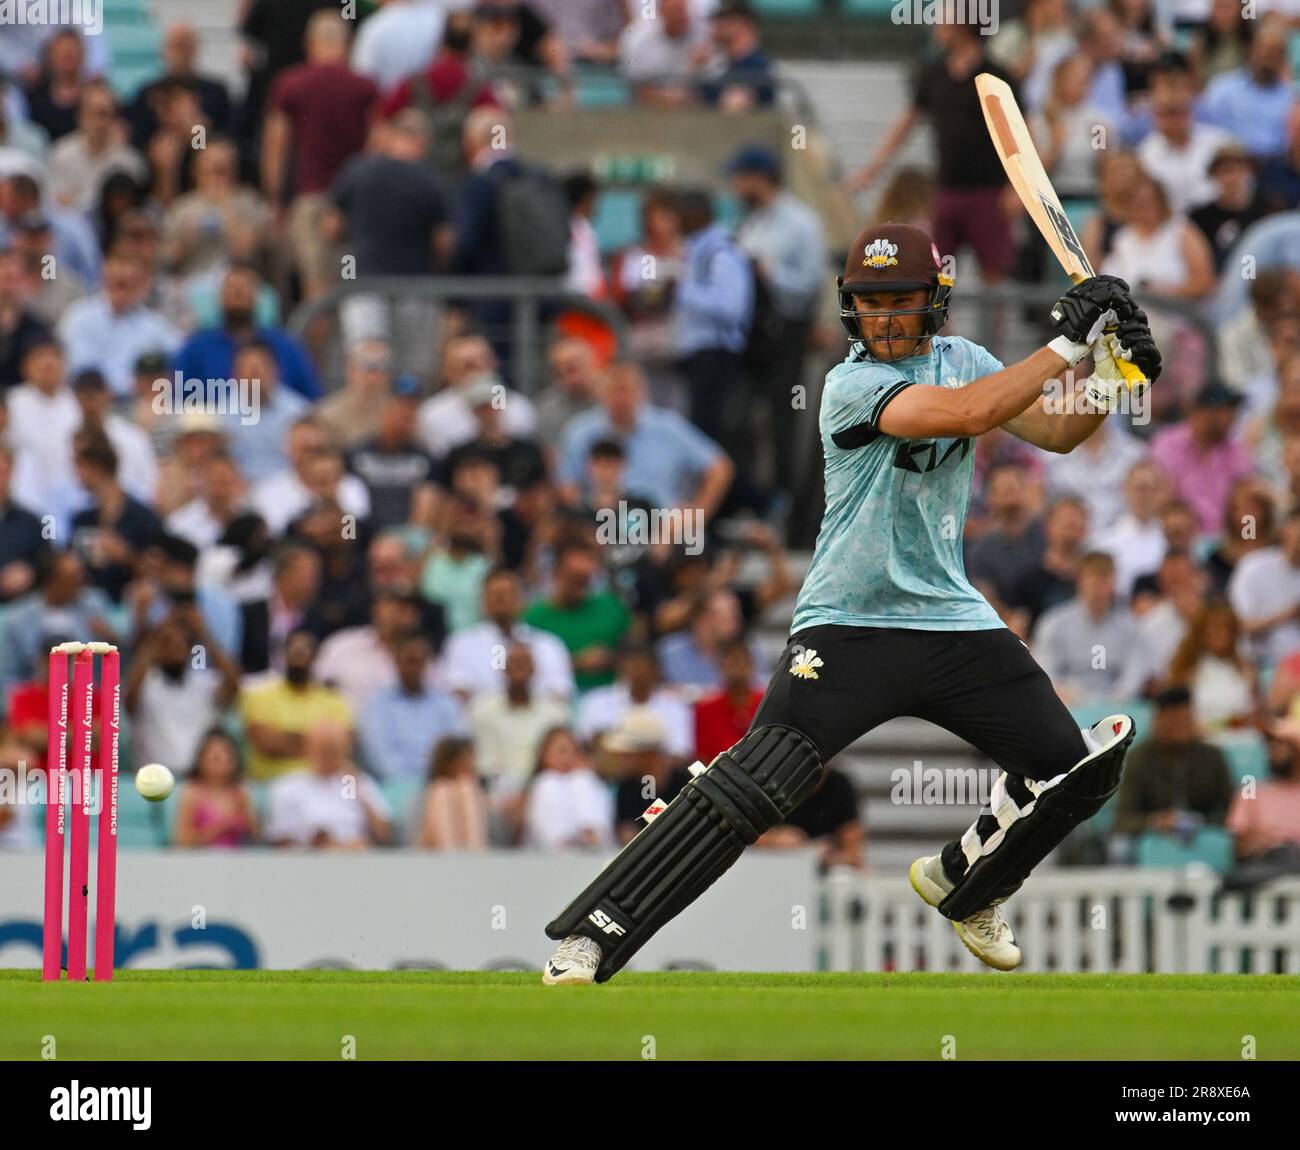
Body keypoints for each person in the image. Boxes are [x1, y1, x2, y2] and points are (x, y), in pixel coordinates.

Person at [542, 221, 1162, 984]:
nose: (887, 320)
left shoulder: (964, 357)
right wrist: (1066, 347)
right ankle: (596, 936)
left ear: (935, 301)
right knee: (757, 783)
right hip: (848, 623)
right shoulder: (850, 384)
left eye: (903, 302)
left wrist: (1108, 370)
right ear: (849, 309)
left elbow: (1058, 430)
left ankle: (969, 883)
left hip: (950, 619)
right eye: (872, 305)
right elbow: (968, 414)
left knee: (1074, 768)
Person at [173, 729, 259, 848]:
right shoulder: (191, 792)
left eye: (227, 756)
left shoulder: (239, 792)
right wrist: (221, 828)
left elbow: (257, 836)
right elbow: (181, 842)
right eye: (215, 758)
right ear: (201, 759)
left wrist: (247, 812)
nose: (221, 762)